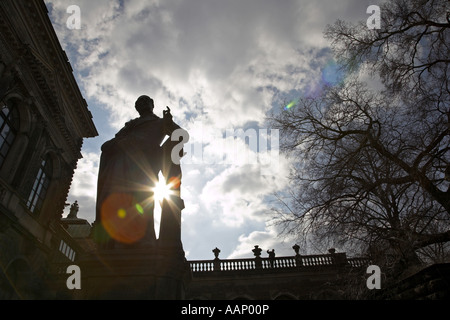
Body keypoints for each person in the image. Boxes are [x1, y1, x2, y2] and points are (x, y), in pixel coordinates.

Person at [93, 95, 183, 247]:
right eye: (138, 103)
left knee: (141, 198)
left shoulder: (160, 122)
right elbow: (114, 141)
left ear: (152, 104)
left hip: (144, 165)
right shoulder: (130, 125)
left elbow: (180, 134)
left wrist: (169, 123)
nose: (141, 104)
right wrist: (113, 144)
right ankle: (115, 239)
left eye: (144, 101)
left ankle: (143, 239)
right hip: (121, 163)